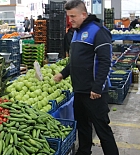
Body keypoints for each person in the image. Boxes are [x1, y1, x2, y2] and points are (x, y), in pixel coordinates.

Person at [53, 1, 119, 155]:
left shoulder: (98, 31)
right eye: (69, 16)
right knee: (83, 125)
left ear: (84, 14)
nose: (71, 20)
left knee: (102, 128)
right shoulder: (76, 32)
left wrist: (97, 87)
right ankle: (83, 151)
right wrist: (63, 73)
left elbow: (105, 61)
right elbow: (76, 60)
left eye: (73, 16)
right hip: (80, 90)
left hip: (94, 92)